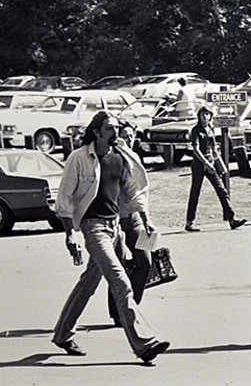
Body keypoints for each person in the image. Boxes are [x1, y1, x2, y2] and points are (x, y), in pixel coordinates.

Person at [52, 110, 170, 363]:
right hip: (93, 229)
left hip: (115, 227)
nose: (115, 132)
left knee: (88, 284)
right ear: (96, 132)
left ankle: (62, 334)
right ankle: (144, 344)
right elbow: (64, 199)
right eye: (110, 128)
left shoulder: (121, 157)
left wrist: (145, 219)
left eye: (117, 127)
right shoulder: (79, 158)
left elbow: (133, 190)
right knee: (120, 281)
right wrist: (69, 234)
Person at [107, 120, 153, 327]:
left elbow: (140, 194)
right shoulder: (111, 158)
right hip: (115, 219)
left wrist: (148, 220)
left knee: (146, 261)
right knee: (119, 265)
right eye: (124, 136)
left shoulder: (135, 160)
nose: (128, 139)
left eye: (131, 136)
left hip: (135, 219)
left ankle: (132, 305)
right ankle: (118, 313)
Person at [185, 106, 246, 232]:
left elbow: (213, 149)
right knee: (195, 193)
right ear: (199, 116)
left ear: (210, 116)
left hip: (211, 164)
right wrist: (206, 163)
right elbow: (196, 149)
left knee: (222, 190)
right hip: (199, 165)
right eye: (202, 114)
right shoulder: (196, 130)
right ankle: (190, 222)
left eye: (207, 114)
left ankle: (232, 219)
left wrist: (220, 164)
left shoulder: (210, 129)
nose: (205, 116)